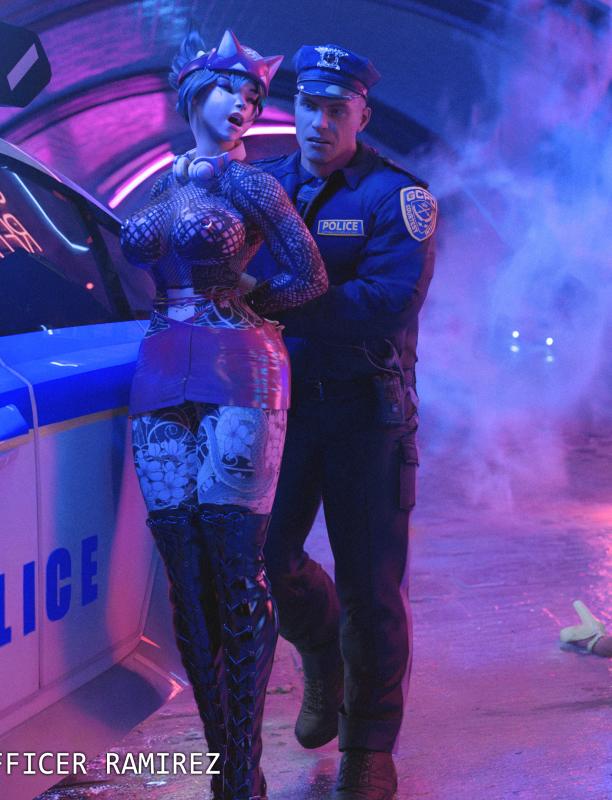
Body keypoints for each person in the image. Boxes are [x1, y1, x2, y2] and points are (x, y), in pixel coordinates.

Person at [120, 29, 328, 800]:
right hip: (159, 368)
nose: (244, 105)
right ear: (194, 93)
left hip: (239, 366)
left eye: (254, 97)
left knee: (236, 564)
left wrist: (252, 304)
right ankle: (226, 767)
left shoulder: (253, 187)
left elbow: (309, 276)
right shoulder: (165, 183)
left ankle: (239, 773)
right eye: (231, 90)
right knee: (184, 568)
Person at [247, 44, 437, 800]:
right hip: (282, 411)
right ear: (292, 108)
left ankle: (368, 747)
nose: (319, 123)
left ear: (362, 114)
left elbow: (387, 302)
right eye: (309, 105)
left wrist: (273, 299)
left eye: (336, 110)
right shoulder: (263, 187)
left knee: (371, 587)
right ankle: (321, 648)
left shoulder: (398, 198)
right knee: (267, 558)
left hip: (366, 415)